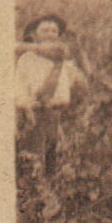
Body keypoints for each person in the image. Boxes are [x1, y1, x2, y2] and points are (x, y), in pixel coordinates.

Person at [15, 14, 90, 176]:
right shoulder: (29, 59)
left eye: (54, 31)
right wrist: (57, 65)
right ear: (34, 36)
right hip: (34, 119)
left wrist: (77, 47)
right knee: (35, 170)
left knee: (52, 170)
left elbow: (86, 79)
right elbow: (43, 97)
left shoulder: (61, 61)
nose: (50, 34)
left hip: (55, 118)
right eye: (45, 30)